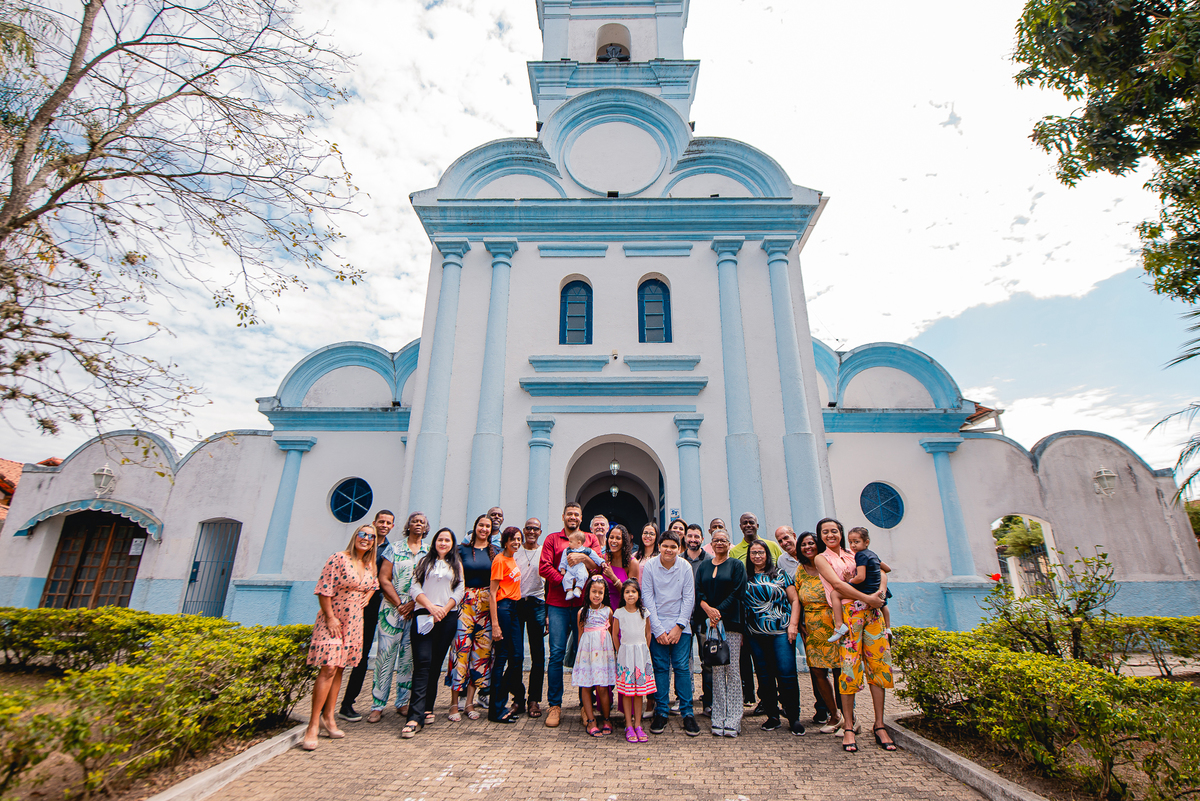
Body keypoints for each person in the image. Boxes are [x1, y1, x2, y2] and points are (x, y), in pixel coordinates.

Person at [812, 517, 894, 753]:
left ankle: (879, 724)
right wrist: (867, 598)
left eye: (834, 531)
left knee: (878, 666)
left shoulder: (856, 552)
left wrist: (880, 593)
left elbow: (882, 570)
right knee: (848, 670)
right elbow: (837, 585)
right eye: (825, 532)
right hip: (849, 616)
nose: (830, 535)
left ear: (841, 533)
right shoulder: (821, 558)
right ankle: (848, 725)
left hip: (873, 614)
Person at [304, 523, 380, 750]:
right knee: (328, 667)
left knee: (339, 669)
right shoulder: (338, 558)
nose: (366, 538)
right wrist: (329, 617)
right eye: (362, 534)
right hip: (334, 619)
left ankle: (329, 717)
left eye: (371, 537)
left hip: (354, 621)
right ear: (355, 536)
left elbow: (374, 584)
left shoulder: (369, 565)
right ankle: (312, 724)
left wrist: (368, 596)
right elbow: (324, 588)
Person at [539, 502, 604, 728]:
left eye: (576, 514)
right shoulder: (552, 539)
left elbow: (598, 568)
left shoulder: (589, 539)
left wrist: (583, 560)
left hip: (583, 606)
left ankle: (585, 706)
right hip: (558, 604)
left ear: (581, 517)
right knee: (556, 654)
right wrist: (567, 581)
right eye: (569, 514)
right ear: (563, 516)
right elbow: (544, 567)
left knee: (584, 654)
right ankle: (554, 705)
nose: (573, 517)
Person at [402, 528, 464, 739]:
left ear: (452, 544)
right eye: (440, 539)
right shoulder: (424, 562)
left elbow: (460, 590)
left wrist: (444, 610)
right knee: (422, 663)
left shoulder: (456, 564)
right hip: (424, 616)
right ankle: (414, 717)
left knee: (436, 663)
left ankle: (428, 707)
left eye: (447, 540)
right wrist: (430, 607)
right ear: (434, 542)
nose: (443, 543)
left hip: (447, 617)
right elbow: (414, 587)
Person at [367, 511, 427, 723]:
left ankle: (402, 702)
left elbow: (429, 582)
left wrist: (413, 604)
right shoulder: (394, 548)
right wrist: (400, 604)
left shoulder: (428, 552)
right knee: (385, 657)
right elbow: (384, 578)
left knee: (408, 659)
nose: (418, 524)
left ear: (426, 527)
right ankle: (377, 705)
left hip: (416, 609)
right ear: (408, 525)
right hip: (392, 609)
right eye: (414, 521)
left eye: (421, 522)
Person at [641, 528, 701, 737]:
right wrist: (658, 629)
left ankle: (687, 713)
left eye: (673, 547)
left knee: (682, 668)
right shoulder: (650, 566)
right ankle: (661, 711)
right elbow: (647, 597)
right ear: (659, 547)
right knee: (660, 668)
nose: (668, 550)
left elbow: (689, 598)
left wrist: (679, 627)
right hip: (657, 625)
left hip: (680, 627)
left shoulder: (685, 567)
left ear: (679, 548)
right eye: (665, 546)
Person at [744, 540, 805, 736]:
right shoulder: (745, 576)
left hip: (781, 631)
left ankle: (793, 717)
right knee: (764, 675)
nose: (757, 556)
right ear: (749, 556)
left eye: (761, 552)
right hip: (755, 634)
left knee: (786, 673)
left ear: (767, 555)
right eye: (753, 553)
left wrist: (793, 625)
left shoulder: (780, 574)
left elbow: (794, 600)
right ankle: (772, 716)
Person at [338, 510, 393, 722]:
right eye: (381, 522)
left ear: (392, 526)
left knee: (361, 655)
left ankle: (348, 703)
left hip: (372, 605)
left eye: (388, 523)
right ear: (374, 522)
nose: (384, 525)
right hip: (349, 605)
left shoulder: (390, 550)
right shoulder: (362, 546)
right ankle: (328, 703)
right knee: (339, 654)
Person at [695, 527, 746, 737]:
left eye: (723, 540)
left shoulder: (736, 565)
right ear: (711, 543)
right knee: (716, 670)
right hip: (711, 625)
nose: (719, 543)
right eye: (716, 540)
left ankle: (733, 719)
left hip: (731, 623)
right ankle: (718, 717)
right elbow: (699, 590)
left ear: (729, 543)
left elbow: (738, 591)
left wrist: (718, 613)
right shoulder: (705, 566)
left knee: (732, 671)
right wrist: (708, 610)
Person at [729, 513, 778, 714]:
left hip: (774, 619)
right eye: (745, 523)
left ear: (757, 524)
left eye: (751, 522)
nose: (748, 525)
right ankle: (764, 700)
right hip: (749, 617)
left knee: (775, 662)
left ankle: (779, 701)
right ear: (740, 526)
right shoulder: (735, 552)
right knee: (757, 663)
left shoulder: (772, 546)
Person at [447, 514, 495, 722]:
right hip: (465, 602)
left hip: (486, 604)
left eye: (488, 526)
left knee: (481, 653)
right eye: (481, 525)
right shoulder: (461, 550)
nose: (484, 529)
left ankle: (469, 702)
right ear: (475, 527)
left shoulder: (495, 552)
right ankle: (453, 703)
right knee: (460, 651)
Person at [794, 531, 842, 733]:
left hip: (836, 624)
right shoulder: (800, 570)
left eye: (811, 543)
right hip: (812, 628)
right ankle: (834, 714)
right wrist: (798, 623)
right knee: (817, 671)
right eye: (804, 544)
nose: (808, 547)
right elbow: (797, 599)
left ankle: (848, 716)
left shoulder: (830, 564)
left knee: (840, 671)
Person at [612, 578, 655, 743]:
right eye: (627, 592)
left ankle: (638, 724)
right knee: (627, 692)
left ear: (638, 594)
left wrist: (643, 650)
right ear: (623, 594)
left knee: (639, 692)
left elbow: (648, 633)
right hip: (626, 657)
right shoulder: (619, 613)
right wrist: (621, 651)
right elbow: (615, 635)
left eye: (633, 591)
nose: (630, 595)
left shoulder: (644, 612)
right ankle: (628, 725)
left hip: (641, 656)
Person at [574, 575, 617, 736]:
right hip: (587, 653)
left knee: (602, 687)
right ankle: (591, 721)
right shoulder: (582, 613)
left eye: (600, 592)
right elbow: (580, 635)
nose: (597, 595)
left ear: (604, 594)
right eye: (594, 591)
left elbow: (610, 633)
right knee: (586, 686)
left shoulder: (608, 612)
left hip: (603, 654)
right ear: (588, 592)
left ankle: (606, 718)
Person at [488, 526, 523, 723]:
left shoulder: (512, 559)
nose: (516, 542)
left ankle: (503, 699)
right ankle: (496, 709)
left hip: (514, 609)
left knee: (517, 657)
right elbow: (493, 593)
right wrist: (495, 624)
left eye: (518, 539)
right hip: (503, 608)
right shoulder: (500, 560)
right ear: (505, 541)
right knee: (502, 657)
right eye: (513, 539)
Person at [513, 518, 546, 718]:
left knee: (538, 655)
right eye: (528, 528)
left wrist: (548, 613)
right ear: (524, 530)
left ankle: (534, 699)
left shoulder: (543, 552)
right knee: (516, 654)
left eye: (535, 529)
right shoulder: (515, 551)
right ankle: (517, 698)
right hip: (516, 604)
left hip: (537, 604)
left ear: (540, 532)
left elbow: (549, 581)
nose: (532, 531)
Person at [681, 522, 711, 716]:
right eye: (690, 536)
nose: (693, 539)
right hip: (683, 617)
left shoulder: (709, 560)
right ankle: (683, 698)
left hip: (703, 618)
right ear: (685, 538)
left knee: (707, 660)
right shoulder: (678, 560)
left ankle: (709, 701)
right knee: (683, 661)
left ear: (702, 539)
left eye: (696, 536)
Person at [558, 528, 604, 599]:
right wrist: (562, 568)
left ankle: (578, 588)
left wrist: (601, 562)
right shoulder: (567, 551)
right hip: (570, 569)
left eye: (571, 542)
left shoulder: (587, 550)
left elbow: (596, 558)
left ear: (578, 543)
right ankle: (569, 591)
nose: (569, 543)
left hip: (581, 568)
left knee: (582, 576)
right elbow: (563, 560)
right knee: (566, 578)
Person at [603, 523, 640, 609]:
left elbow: (631, 594)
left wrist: (613, 577)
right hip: (604, 610)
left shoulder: (632, 563)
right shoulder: (604, 558)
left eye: (618, 538)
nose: (613, 541)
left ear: (624, 541)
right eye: (611, 537)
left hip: (622, 609)